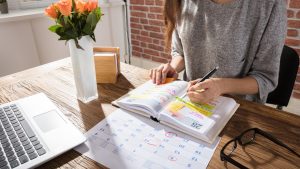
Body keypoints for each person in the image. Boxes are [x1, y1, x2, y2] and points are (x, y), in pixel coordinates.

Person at [150, 0, 287, 104]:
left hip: (238, 109)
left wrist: (220, 86)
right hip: (190, 103)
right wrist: (173, 68)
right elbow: (181, 51)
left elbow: (265, 78)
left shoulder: (270, 4)